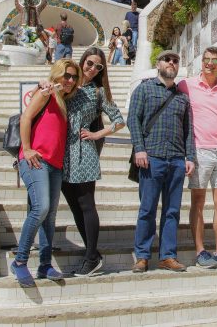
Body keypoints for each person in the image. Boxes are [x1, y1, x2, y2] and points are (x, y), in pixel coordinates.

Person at [10, 59, 80, 287]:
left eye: (74, 77)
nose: (70, 80)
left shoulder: (62, 99)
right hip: (35, 160)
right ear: (57, 74)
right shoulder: (47, 92)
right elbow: (26, 117)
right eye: (66, 75)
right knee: (41, 208)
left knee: (49, 217)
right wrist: (27, 148)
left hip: (55, 164)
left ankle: (44, 265)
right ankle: (20, 262)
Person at [58, 48, 126, 276]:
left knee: (86, 204)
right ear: (82, 61)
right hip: (62, 152)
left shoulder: (98, 93)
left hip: (84, 153)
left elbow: (119, 121)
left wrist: (97, 135)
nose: (92, 69)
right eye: (89, 63)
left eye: (98, 67)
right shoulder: (67, 84)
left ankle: (90, 256)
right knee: (74, 205)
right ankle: (93, 254)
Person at [129, 50, 195, 273]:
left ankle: (167, 255)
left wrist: (190, 157)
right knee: (147, 209)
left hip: (176, 160)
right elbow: (133, 120)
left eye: (175, 61)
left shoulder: (183, 98)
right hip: (151, 158)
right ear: (158, 64)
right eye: (167, 60)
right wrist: (139, 149)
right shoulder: (144, 89)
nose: (171, 63)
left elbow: (189, 130)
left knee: (172, 210)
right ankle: (142, 256)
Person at [178, 46, 217, 269]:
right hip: (199, 150)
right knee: (198, 201)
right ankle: (200, 251)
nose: (210, 63)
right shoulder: (187, 85)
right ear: (201, 62)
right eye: (206, 59)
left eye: (214, 60)